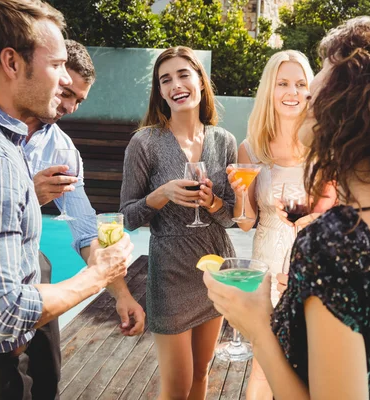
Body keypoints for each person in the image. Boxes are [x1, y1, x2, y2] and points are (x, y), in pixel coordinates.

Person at [205, 15, 370, 399]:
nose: (310, 87)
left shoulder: (335, 244)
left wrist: (257, 327)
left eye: (326, 72)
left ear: (357, 102)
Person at [0, 1, 133, 399]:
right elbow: (2, 315)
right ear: (11, 62)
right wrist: (97, 277)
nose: (61, 87)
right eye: (56, 66)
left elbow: (82, 223)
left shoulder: (5, 142)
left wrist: (119, 292)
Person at [21, 39, 145, 400]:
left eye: (79, 100)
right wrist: (29, 194)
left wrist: (122, 295)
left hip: (32, 273)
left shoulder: (60, 150)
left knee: (46, 380)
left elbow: (85, 231)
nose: (70, 106)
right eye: (65, 92)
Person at [120, 46, 237, 400]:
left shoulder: (224, 141)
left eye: (183, 74)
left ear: (200, 80)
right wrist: (162, 194)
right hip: (170, 270)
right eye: (165, 79)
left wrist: (213, 201)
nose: (175, 84)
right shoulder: (145, 142)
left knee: (202, 373)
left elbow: (230, 216)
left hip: (214, 266)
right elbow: (127, 216)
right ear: (160, 91)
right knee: (177, 384)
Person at [226, 50, 333, 400]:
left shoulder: (326, 146)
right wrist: (240, 194)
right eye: (283, 83)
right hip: (268, 266)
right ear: (269, 90)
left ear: (311, 90)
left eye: (301, 84)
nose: (292, 91)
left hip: (313, 266)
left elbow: (341, 214)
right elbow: (245, 223)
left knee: (308, 363)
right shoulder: (251, 147)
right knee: (264, 364)